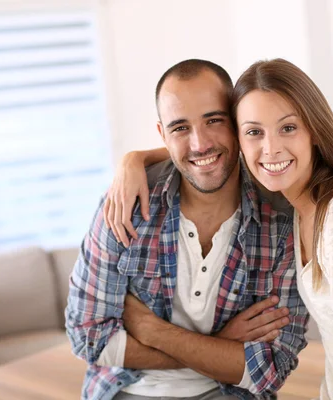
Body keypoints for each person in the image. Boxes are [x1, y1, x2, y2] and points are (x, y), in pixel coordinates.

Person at [105, 58, 333, 399]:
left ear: (314, 129)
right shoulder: (299, 204)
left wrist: (154, 331)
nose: (271, 148)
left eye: (288, 128)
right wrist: (133, 159)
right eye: (254, 132)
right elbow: (202, 150)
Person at [65, 59, 309, 400]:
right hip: (125, 391)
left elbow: (272, 367)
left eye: (214, 120)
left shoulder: (280, 221)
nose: (200, 143)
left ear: (237, 123)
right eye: (180, 128)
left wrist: (153, 331)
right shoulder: (126, 204)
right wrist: (221, 347)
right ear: (163, 135)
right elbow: (87, 338)